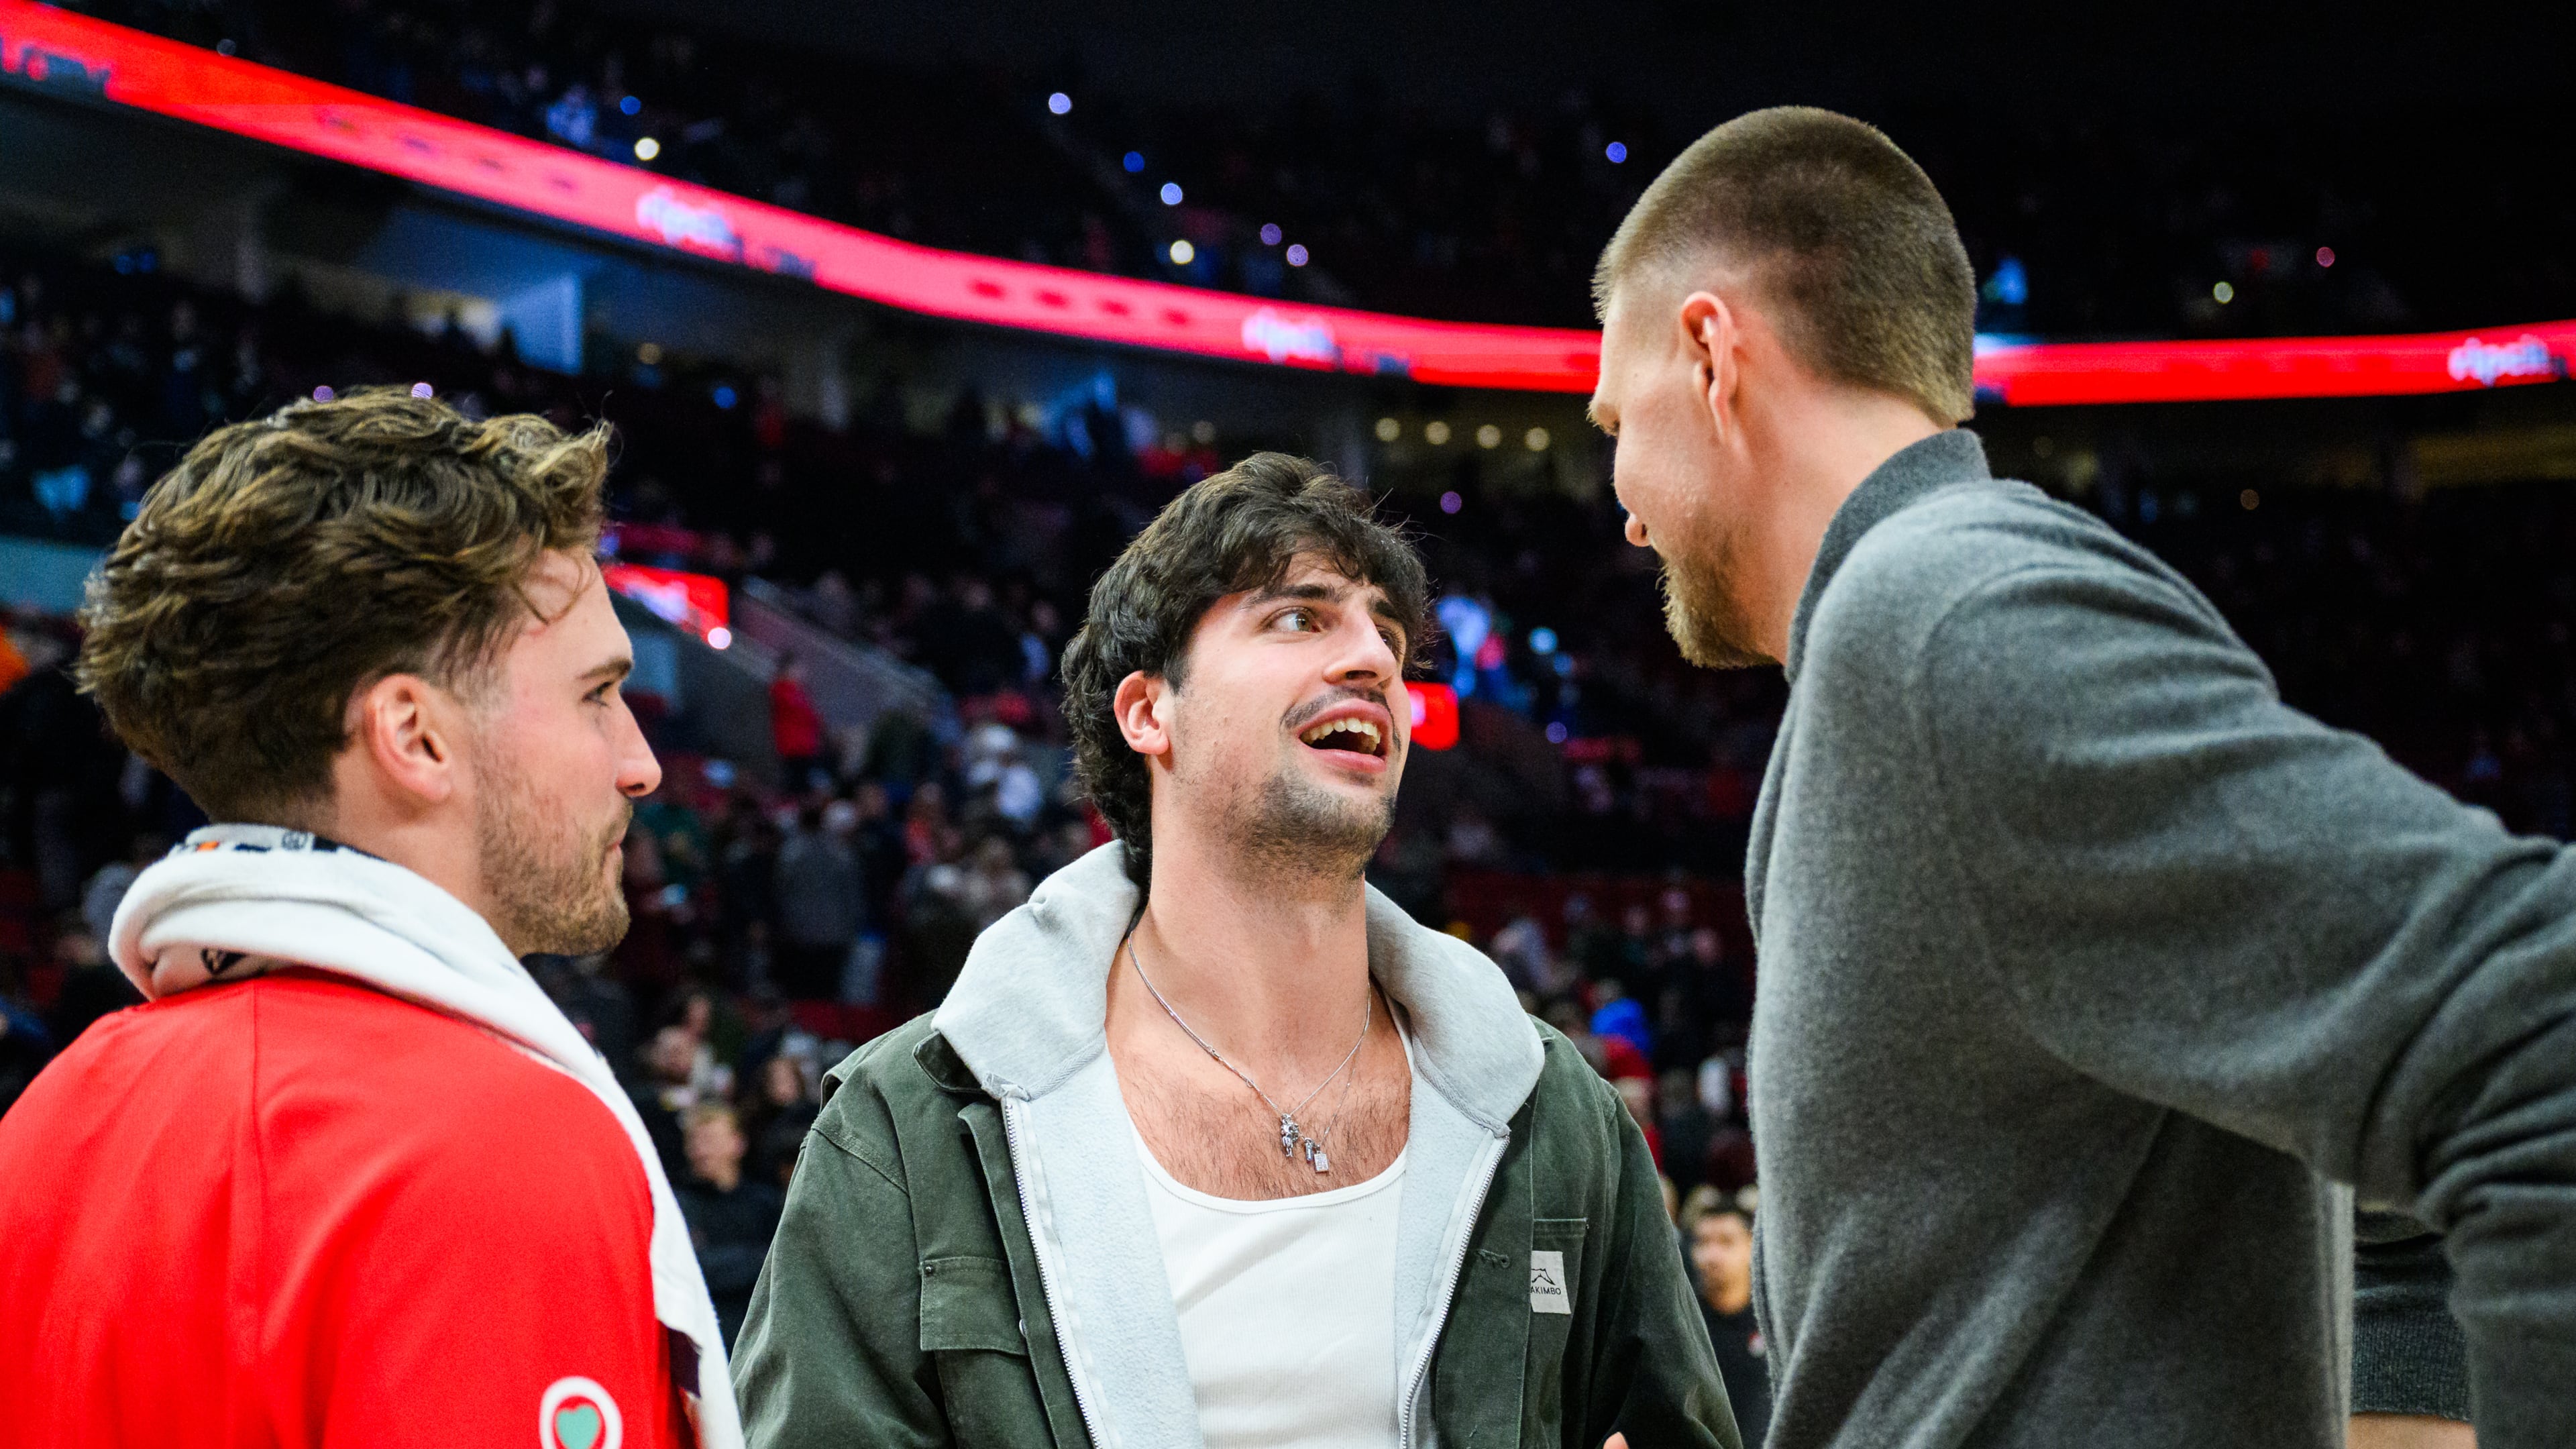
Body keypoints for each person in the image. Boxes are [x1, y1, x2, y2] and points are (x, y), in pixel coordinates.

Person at [1588, 106, 2561, 1448]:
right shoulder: (1911, 643)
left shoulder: (1939, 622)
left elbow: (2534, 1026)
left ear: (1711, 351)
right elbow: (2386, 1215)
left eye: (1614, 419)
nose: (1623, 501)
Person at [733, 453, 1737, 1448]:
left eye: (1387, 635)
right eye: (1299, 618)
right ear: (1148, 712)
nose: (1375, 662)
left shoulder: (1558, 1116)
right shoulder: (904, 1130)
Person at [0, 388, 743, 1447]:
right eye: (595, 694)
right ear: (415, 736)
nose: (642, 763)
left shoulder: (47, 1121)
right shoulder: (495, 1149)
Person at [675, 1102, 786, 1348]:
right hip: (704, 1338)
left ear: (738, 1144)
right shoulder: (678, 1205)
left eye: (710, 1140)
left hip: (762, 1338)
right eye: (694, 1142)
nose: (701, 1151)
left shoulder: (766, 1202)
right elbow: (690, 1269)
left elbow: (784, 1263)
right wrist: (757, 1258)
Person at [1682, 1190, 1770, 1449]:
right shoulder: (1684, 1323)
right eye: (1703, 1242)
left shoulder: (1771, 1323)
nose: (1712, 1255)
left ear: (1751, 1245)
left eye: (1726, 1242)